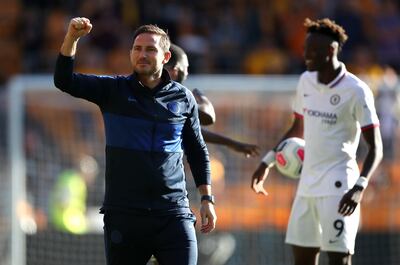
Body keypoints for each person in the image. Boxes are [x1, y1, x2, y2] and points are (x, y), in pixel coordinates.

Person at [54, 17, 216, 265]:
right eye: (137, 49)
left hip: (173, 213)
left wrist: (207, 199)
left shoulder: (183, 98)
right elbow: (63, 80)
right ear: (131, 54)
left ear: (165, 57)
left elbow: (196, 150)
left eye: (150, 49)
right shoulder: (113, 90)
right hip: (124, 216)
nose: (142, 54)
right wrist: (72, 39)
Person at [251, 18, 383, 265]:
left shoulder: (356, 89)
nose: (305, 55)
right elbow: (296, 127)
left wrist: (359, 187)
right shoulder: (306, 81)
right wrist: (267, 161)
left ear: (331, 51)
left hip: (339, 185)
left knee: (338, 259)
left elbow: (376, 147)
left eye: (312, 50)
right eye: (304, 49)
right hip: (307, 184)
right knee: (301, 258)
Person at [164, 43, 260, 158]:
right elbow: (207, 117)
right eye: (186, 68)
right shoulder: (166, 97)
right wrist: (202, 99)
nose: (187, 73)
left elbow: (191, 129)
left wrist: (232, 144)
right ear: (175, 71)